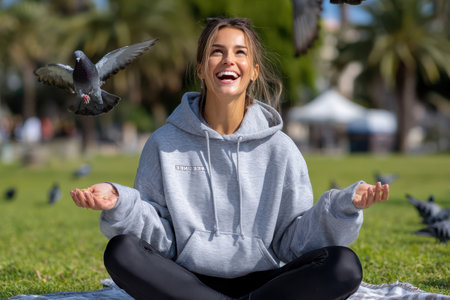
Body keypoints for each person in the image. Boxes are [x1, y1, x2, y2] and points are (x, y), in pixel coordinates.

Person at [70, 17, 389, 300]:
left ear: (254, 71)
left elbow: (294, 242)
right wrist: (119, 202)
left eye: (240, 52)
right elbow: (161, 240)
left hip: (265, 282)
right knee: (121, 252)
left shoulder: (281, 149)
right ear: (200, 68)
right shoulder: (164, 143)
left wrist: (343, 207)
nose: (228, 60)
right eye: (216, 51)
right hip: (184, 279)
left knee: (344, 266)